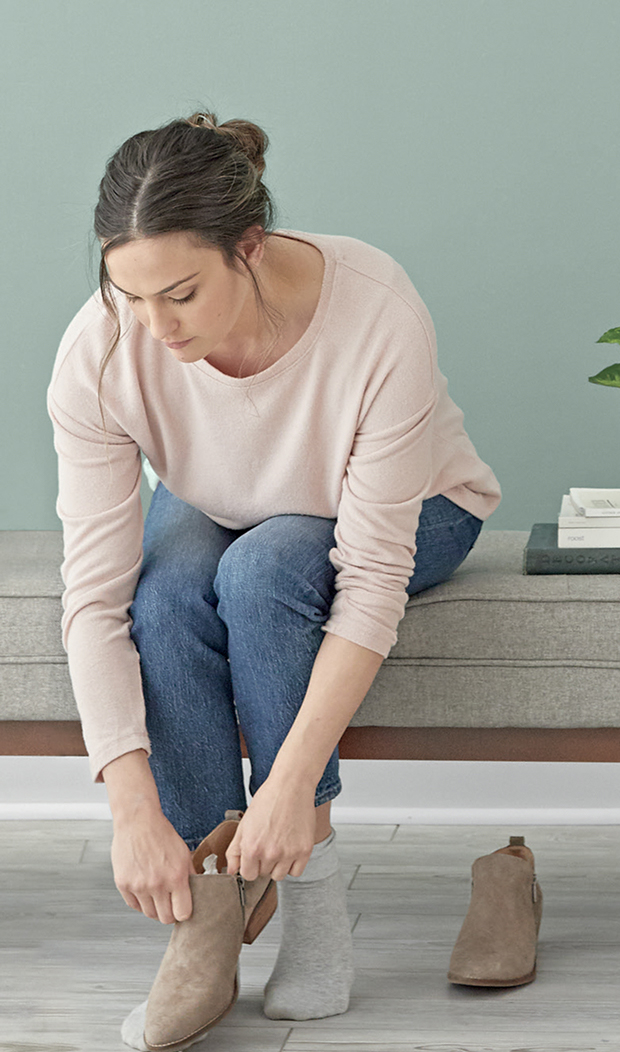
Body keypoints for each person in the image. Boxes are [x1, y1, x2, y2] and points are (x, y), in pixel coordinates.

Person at [47, 113, 502, 1044]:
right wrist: (131, 809)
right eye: (127, 295)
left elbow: (371, 577)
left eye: (179, 294)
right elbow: (93, 595)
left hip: (411, 509)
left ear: (248, 247)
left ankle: (312, 895)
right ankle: (208, 919)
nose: (151, 327)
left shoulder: (375, 311)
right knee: (166, 595)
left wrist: (291, 789)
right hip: (224, 499)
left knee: (260, 574)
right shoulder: (100, 353)